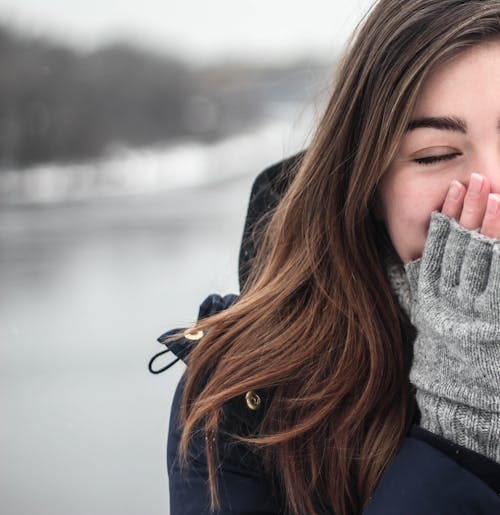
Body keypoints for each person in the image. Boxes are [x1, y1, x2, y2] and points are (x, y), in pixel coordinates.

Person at [151, 0, 500, 513]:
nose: (490, 191)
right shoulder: (248, 403)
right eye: (434, 155)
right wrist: (462, 426)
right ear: (368, 187)